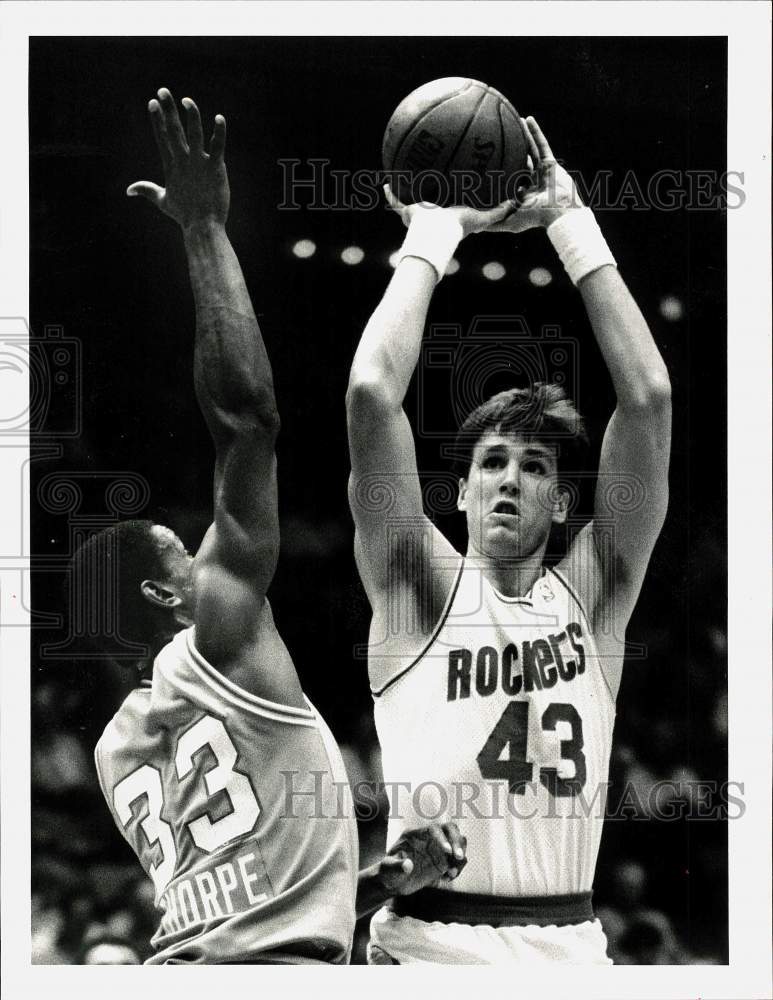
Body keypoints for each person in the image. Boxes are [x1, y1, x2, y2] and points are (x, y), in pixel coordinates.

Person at [84, 89, 466, 965]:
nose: (203, 545)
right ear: (163, 591)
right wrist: (205, 229)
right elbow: (247, 422)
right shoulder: (215, 640)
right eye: (185, 549)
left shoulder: (119, 750)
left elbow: (243, 918)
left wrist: (382, 879)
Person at [346, 116, 671, 964]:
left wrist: (569, 220)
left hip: (569, 945)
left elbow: (648, 401)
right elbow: (372, 396)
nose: (509, 478)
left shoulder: (594, 592)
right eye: (491, 462)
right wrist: (435, 232)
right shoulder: (415, 585)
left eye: (532, 466)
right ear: (459, 490)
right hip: (427, 943)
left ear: (561, 503)